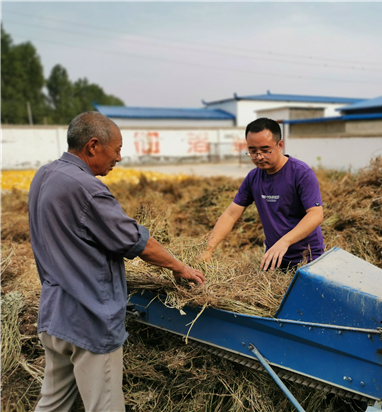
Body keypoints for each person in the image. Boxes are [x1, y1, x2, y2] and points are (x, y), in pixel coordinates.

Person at [28, 111, 205, 412]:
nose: (119, 158)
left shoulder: (44, 175)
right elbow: (136, 242)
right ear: (93, 146)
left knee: (52, 405)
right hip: (89, 320)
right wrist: (180, 267)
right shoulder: (87, 188)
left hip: (54, 315)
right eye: (117, 149)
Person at [200, 117, 324, 270]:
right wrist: (208, 250)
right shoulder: (253, 177)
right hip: (273, 259)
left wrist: (284, 242)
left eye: (265, 150)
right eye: (253, 151)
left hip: (307, 259)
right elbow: (230, 214)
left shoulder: (301, 173)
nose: (259, 157)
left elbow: (316, 214)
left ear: (280, 145)